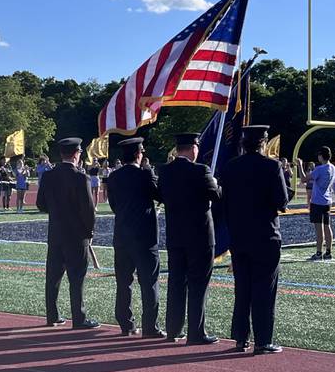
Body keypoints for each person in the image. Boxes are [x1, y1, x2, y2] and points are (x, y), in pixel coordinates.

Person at [222, 126, 289, 354]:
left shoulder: (231, 167)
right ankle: (262, 340)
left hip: (239, 236)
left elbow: (224, 202)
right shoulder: (271, 166)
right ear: (263, 142)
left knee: (242, 289)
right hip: (265, 235)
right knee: (264, 290)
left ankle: (241, 338)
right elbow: (281, 201)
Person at [157, 133, 221, 345]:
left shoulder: (165, 171)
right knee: (198, 286)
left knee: (176, 284)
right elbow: (216, 195)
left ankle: (173, 329)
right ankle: (196, 332)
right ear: (193, 148)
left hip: (176, 236)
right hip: (200, 235)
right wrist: (216, 183)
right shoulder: (201, 170)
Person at [36, 137, 99, 329]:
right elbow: (88, 210)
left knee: (53, 277)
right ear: (76, 154)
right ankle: (78, 318)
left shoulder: (48, 176)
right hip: (77, 235)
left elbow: (40, 204)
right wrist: (89, 231)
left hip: (55, 233)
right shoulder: (81, 178)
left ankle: (52, 315)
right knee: (76, 278)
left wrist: (56, 212)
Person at [106, 137, 164, 338]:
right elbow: (161, 196)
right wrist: (151, 173)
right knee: (149, 283)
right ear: (139, 154)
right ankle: (150, 326)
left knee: (124, 283)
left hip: (122, 235)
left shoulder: (114, 177)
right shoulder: (145, 175)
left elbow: (114, 205)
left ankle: (126, 323)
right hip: (145, 237)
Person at [300, 146, 335, 260]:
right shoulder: (333, 168)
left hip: (317, 201)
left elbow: (303, 179)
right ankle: (328, 252)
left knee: (319, 228)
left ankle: (318, 252)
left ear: (321, 155)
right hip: (327, 201)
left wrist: (300, 165)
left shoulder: (320, 169)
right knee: (327, 226)